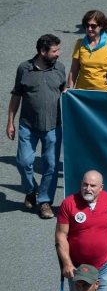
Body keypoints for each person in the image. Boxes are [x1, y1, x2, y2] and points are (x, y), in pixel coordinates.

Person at [8, 33, 65, 219]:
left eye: (58, 50)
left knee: (51, 166)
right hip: (28, 126)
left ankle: (45, 201)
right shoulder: (24, 69)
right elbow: (16, 95)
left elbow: (64, 90)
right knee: (23, 162)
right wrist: (10, 122)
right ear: (42, 51)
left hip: (54, 126)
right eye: (54, 51)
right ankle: (30, 189)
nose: (58, 54)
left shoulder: (60, 68)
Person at [56, 170, 107, 291]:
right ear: (81, 183)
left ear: (101, 187)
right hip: (78, 267)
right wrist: (67, 264)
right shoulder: (68, 203)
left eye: (92, 186)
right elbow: (61, 235)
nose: (88, 189)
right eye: (85, 184)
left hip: (103, 266)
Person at [68, 11, 107, 92]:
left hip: (105, 92)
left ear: (101, 26)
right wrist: (69, 91)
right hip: (82, 92)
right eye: (87, 25)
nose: (89, 29)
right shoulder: (80, 43)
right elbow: (73, 71)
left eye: (93, 26)